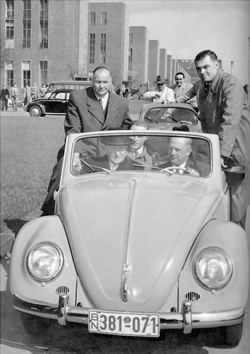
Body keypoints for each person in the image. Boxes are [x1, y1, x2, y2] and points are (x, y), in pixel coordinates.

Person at [41, 65, 132, 215]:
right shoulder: (78, 98)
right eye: (97, 82)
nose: (101, 86)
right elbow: (73, 129)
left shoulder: (121, 102)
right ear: (92, 81)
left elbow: (126, 129)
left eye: (104, 82)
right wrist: (75, 155)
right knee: (63, 168)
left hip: (110, 153)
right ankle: (50, 211)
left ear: (110, 82)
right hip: (83, 151)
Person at [177, 49, 250, 228]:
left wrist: (221, 153)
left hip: (234, 150)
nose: (202, 72)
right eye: (198, 69)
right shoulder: (202, 87)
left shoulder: (231, 84)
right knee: (214, 196)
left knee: (236, 201)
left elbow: (229, 120)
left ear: (217, 65)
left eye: (206, 67)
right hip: (216, 150)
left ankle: (236, 239)